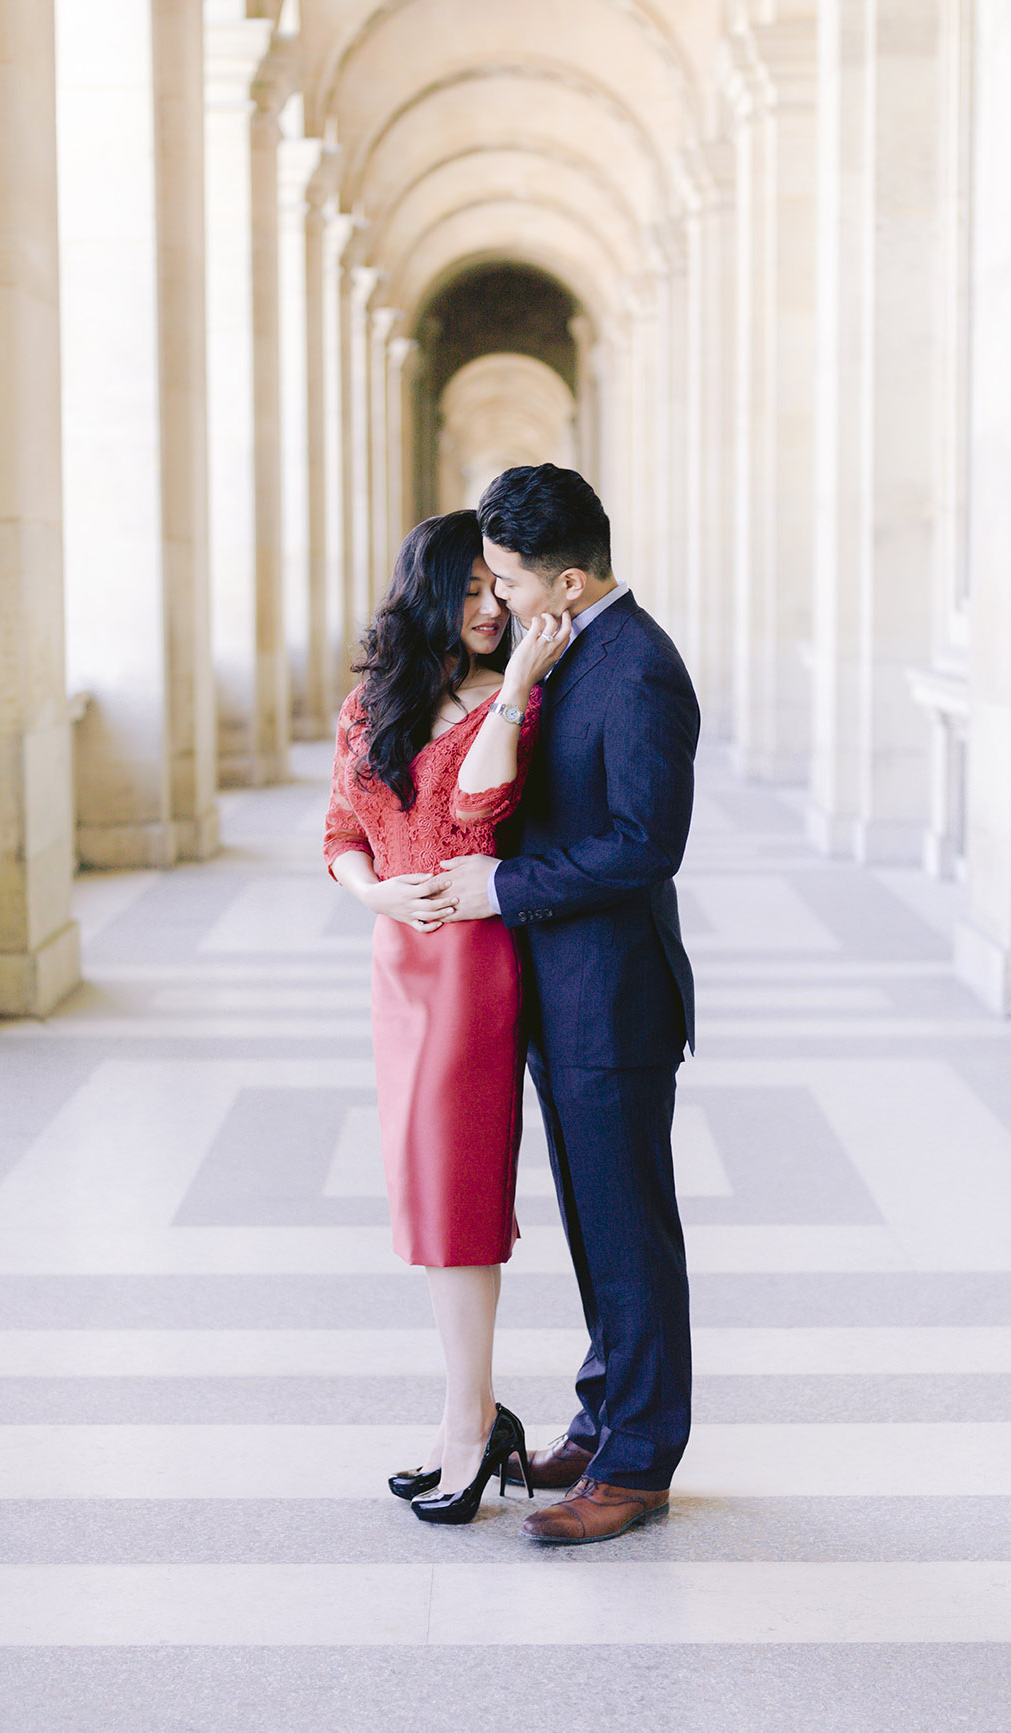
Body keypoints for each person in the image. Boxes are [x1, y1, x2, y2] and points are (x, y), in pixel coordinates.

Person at [440, 464, 700, 1546]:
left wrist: (501, 885)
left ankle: (638, 1460)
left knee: (628, 1233)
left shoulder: (636, 668)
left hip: (613, 997)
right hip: (562, 989)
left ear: (571, 578)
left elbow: (645, 846)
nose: (493, 601)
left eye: (505, 580)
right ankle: (604, 1416)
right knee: (597, 1225)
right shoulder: (567, 647)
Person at [323, 509, 572, 1526]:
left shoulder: (516, 701)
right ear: (427, 591)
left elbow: (474, 815)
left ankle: (467, 1424)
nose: (483, 609)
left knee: (457, 1192)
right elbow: (344, 828)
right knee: (425, 1195)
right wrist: (370, 894)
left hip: (475, 964)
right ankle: (465, 1413)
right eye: (464, 591)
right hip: (397, 959)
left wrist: (510, 689)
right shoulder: (373, 701)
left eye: (494, 591)